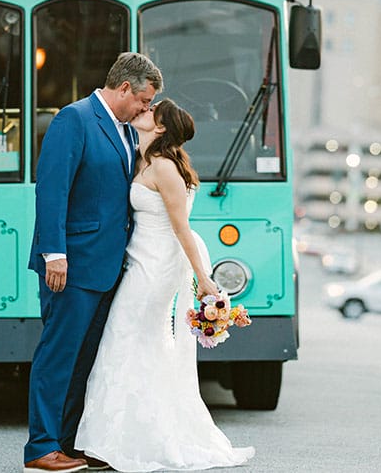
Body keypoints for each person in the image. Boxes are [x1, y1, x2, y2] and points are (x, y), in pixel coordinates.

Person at [74, 98, 255, 471]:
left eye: (149, 111)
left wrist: (204, 279)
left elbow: (181, 228)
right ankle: (122, 438)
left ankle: (117, 442)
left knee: (126, 339)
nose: (141, 111)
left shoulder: (166, 169)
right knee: (135, 342)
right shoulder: (145, 160)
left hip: (155, 269)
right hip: (141, 261)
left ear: (159, 128)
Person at [24, 52, 164, 473]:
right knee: (58, 356)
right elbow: (52, 189)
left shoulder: (124, 130)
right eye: (143, 100)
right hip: (71, 264)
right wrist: (55, 253)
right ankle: (41, 448)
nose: (146, 109)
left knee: (85, 359)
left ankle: (68, 443)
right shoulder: (74, 118)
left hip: (105, 266)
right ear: (124, 88)